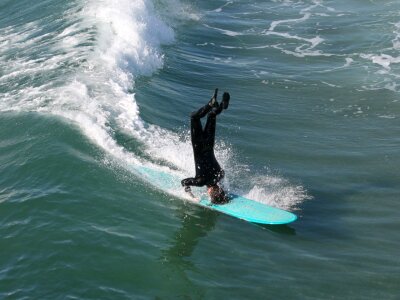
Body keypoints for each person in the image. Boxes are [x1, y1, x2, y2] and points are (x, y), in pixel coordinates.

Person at [181, 89, 230, 204]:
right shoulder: (200, 181)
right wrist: (191, 196)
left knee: (212, 115)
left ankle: (222, 106)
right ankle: (210, 104)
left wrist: (223, 189)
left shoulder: (219, 175)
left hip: (209, 144)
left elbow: (222, 173)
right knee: (194, 117)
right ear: (210, 191)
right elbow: (184, 182)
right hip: (199, 145)